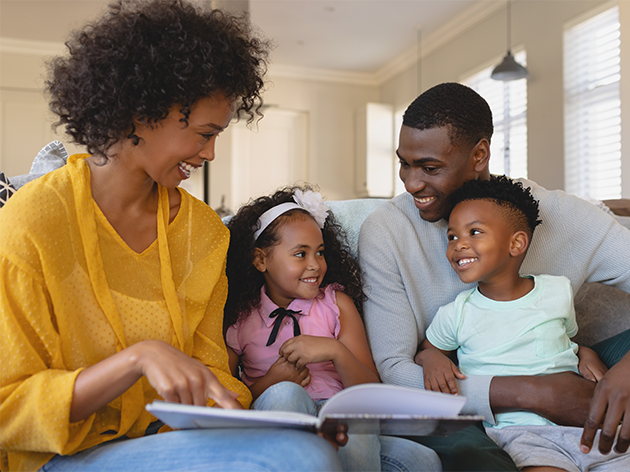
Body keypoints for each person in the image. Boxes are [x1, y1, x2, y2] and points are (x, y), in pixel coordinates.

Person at [0, 2, 345, 471]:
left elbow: (213, 373)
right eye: (204, 133)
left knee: (388, 456)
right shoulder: (34, 221)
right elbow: (9, 410)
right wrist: (136, 361)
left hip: (159, 443)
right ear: (142, 110)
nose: (211, 152)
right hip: (57, 457)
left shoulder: (203, 232)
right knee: (295, 457)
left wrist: (231, 408)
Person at [358, 82, 630, 472]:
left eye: (430, 168)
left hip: (569, 376)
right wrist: (535, 393)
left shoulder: (556, 215)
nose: (412, 183)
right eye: (404, 163)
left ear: (479, 154)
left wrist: (624, 373)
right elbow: (396, 372)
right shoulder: (386, 231)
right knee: (470, 453)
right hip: (463, 406)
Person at [417, 176, 630, 471]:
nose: (459, 245)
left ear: (516, 243)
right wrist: (430, 357)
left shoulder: (557, 291)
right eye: (452, 237)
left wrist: (584, 352)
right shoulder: (456, 313)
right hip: (523, 436)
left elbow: (561, 340)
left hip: (584, 423)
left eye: (474, 232)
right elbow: (428, 350)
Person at [224, 186, 442, 472]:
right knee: (286, 394)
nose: (315, 265)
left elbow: (369, 392)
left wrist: (335, 350)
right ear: (260, 260)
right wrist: (273, 380)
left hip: (339, 424)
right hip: (276, 421)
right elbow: (226, 401)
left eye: (320, 252)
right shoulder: (241, 319)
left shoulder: (336, 304)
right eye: (300, 254)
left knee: (423, 461)